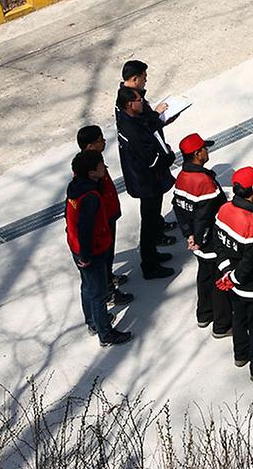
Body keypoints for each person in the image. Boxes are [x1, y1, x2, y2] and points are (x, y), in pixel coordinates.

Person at [65, 150, 133, 347]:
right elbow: (85, 228)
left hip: (77, 247)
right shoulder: (91, 197)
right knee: (99, 293)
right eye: (101, 166)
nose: (104, 168)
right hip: (92, 251)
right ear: (91, 172)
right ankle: (106, 333)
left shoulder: (75, 188)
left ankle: (93, 323)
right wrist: (86, 255)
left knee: (87, 286)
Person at [211, 167, 253, 372]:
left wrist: (227, 273)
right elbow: (251, 260)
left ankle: (241, 354)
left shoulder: (224, 210)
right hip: (251, 285)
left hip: (231, 279)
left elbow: (218, 244)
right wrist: (236, 277)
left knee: (239, 318)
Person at [116, 86, 176, 279]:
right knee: (149, 224)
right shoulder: (133, 131)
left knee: (150, 221)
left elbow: (148, 125)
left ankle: (152, 256)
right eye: (138, 101)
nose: (142, 102)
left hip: (146, 182)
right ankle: (149, 265)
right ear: (128, 105)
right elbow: (152, 160)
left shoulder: (130, 120)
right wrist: (169, 156)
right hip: (148, 183)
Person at [172, 133, 229, 337]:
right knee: (219, 280)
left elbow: (178, 208)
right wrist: (199, 238)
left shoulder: (181, 178)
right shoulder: (204, 182)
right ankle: (222, 325)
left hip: (196, 241)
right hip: (210, 241)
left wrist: (188, 235)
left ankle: (204, 314)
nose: (207, 151)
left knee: (204, 276)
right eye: (205, 148)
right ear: (197, 154)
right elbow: (204, 217)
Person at [119, 60, 179, 247]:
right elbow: (145, 136)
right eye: (144, 77)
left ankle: (157, 226)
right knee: (149, 210)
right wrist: (167, 157)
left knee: (153, 208)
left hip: (147, 172)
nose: (146, 80)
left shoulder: (130, 100)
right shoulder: (130, 117)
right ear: (135, 79)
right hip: (145, 175)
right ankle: (152, 243)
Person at [76, 125, 132, 305]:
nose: (104, 143)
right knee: (105, 256)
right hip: (103, 220)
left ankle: (109, 277)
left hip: (109, 214)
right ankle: (109, 291)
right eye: (101, 140)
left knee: (109, 256)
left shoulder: (95, 162)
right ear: (90, 146)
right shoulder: (88, 169)